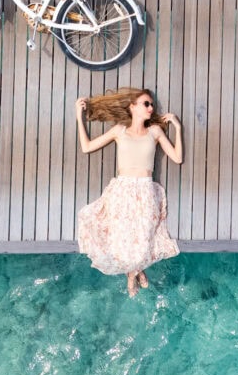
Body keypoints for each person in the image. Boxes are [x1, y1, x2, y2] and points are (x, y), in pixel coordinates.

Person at [74, 88, 182, 296]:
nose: (151, 108)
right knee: (122, 240)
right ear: (133, 107)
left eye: (151, 104)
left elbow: (177, 158)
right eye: (146, 104)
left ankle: (133, 273)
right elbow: (87, 147)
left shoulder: (155, 132)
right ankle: (135, 272)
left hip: (145, 189)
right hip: (122, 190)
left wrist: (178, 128)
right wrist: (80, 117)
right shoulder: (119, 130)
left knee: (142, 241)